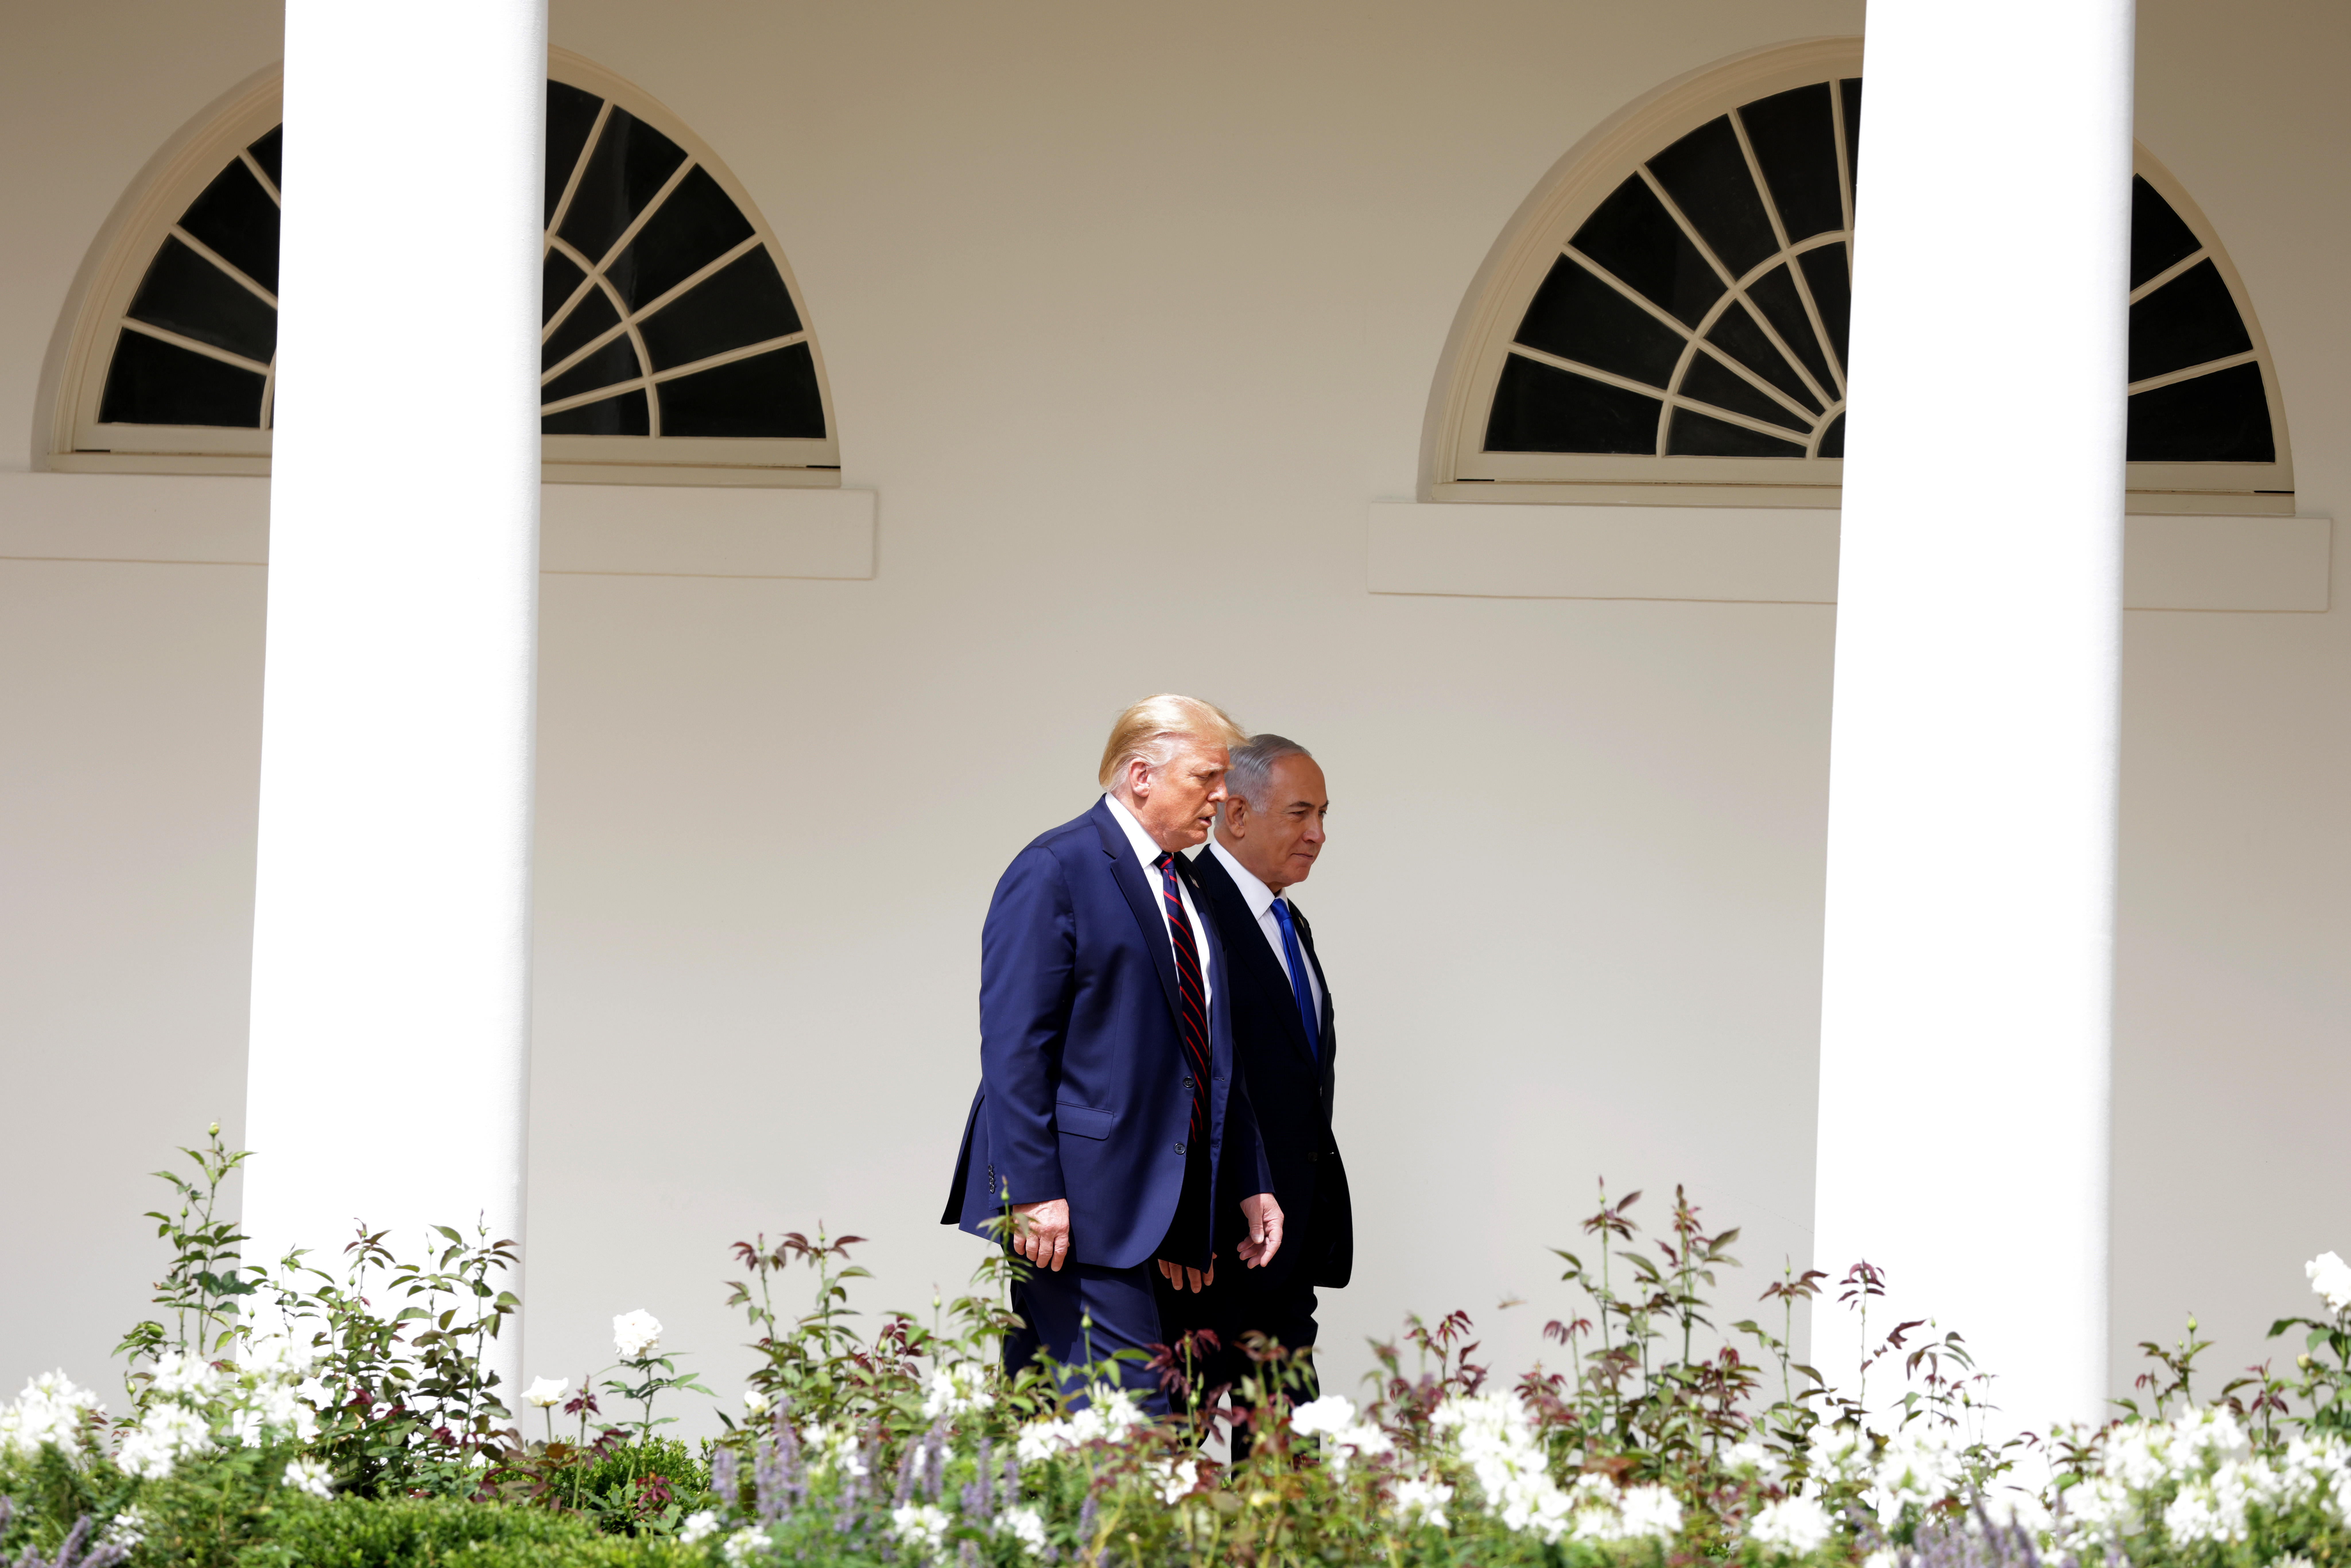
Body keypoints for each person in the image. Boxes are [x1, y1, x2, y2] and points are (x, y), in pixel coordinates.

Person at [941, 694, 1287, 1412]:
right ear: (1140, 776)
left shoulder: (1187, 883)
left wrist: (1249, 1176)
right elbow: (1014, 1045)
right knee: (1132, 1431)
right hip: (1077, 1203)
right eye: (1206, 777)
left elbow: (1213, 1050)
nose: (1222, 797)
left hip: (1162, 1206)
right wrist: (1033, 1189)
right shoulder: (1055, 867)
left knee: (1053, 1420)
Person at [1185, 733, 1349, 1437]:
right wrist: (1189, 1226)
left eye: (1323, 815)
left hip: (1285, 1252)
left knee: (1288, 1463)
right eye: (1299, 813)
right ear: (1236, 814)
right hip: (1204, 1256)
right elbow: (1176, 1079)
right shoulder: (1187, 910)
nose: (1318, 834)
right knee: (1165, 1461)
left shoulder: (1287, 919)